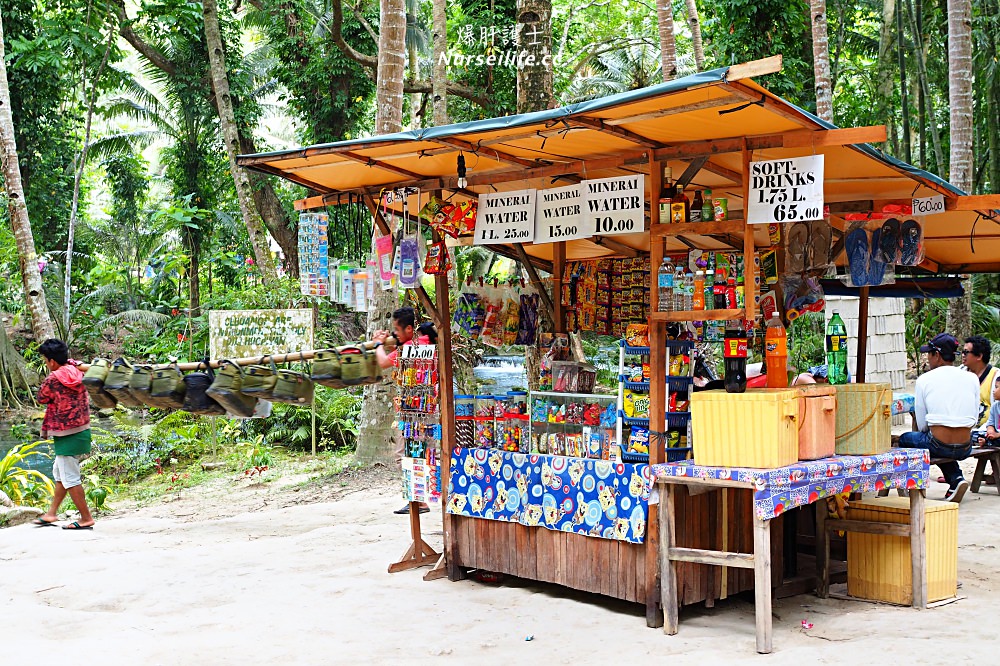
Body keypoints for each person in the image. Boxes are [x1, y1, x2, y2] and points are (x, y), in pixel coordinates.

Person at [899, 333, 980, 503]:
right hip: (966, 446)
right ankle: (956, 479)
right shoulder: (972, 378)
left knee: (906, 439)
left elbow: (922, 425)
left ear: (937, 355)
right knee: (936, 443)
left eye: (929, 353)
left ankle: (911, 486)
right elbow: (974, 417)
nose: (927, 358)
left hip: (938, 444)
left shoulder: (925, 380)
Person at [372, 307, 433, 516]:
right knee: (420, 454)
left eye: (397, 330)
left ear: (408, 328)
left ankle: (418, 500)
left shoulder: (408, 349)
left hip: (410, 413)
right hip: (427, 409)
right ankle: (418, 499)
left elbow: (382, 361)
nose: (395, 334)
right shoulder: (426, 341)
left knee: (404, 456)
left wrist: (378, 344)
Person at [32, 339, 95, 529]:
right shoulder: (77, 370)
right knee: (60, 472)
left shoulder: (53, 379)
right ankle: (51, 514)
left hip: (67, 434)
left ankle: (86, 518)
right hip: (82, 430)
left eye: (45, 360)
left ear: (51, 361)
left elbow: (41, 398)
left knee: (70, 477)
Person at [962, 335, 999, 431]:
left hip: (986, 432)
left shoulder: (996, 377)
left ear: (979, 356)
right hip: (960, 430)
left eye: (966, 352)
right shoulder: (960, 374)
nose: (962, 355)